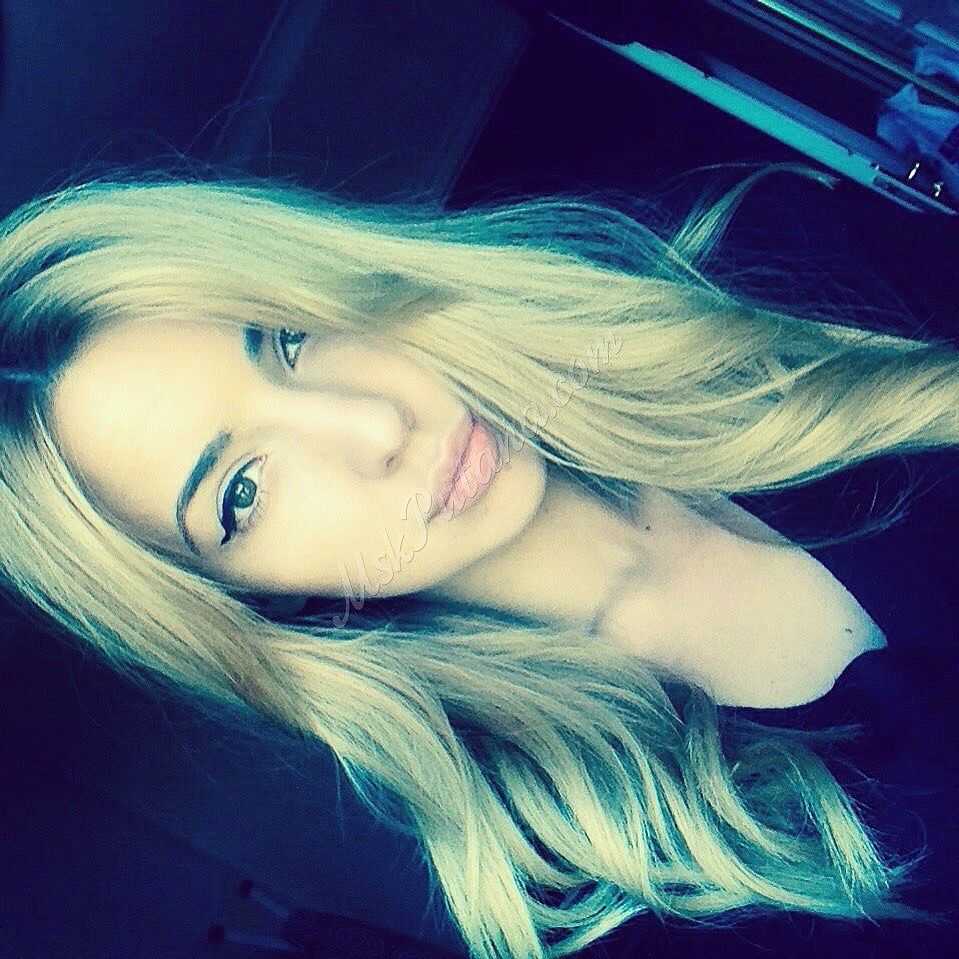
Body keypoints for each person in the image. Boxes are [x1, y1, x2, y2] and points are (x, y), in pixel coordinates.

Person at [1, 160, 955, 959]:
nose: (377, 426)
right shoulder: (607, 894)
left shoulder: (773, 269)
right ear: (255, 603)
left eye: (289, 336)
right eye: (240, 493)